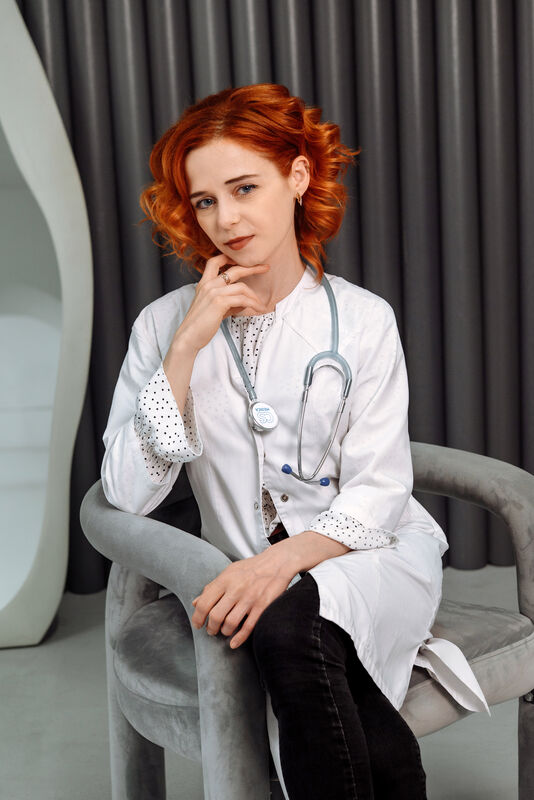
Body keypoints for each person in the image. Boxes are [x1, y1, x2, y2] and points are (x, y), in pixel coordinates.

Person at [101, 83, 490, 800]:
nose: (226, 219)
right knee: (305, 645)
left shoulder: (364, 320)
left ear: (299, 176)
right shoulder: (162, 326)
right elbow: (126, 492)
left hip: (373, 555)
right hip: (252, 569)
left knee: (285, 624)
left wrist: (275, 566)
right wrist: (186, 347)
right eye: (205, 200)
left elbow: (380, 490)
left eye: (245, 188)